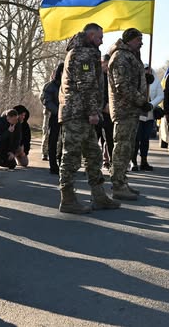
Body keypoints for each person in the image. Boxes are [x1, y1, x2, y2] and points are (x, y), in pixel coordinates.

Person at [58, 23, 121, 214]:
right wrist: (93, 112)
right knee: (71, 157)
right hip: (78, 113)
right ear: (91, 35)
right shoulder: (82, 53)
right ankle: (67, 199)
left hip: (83, 112)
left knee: (93, 155)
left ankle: (99, 196)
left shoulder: (86, 52)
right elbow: (85, 85)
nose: (102, 41)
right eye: (100, 37)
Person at [107, 28, 152, 200]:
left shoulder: (131, 56)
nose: (141, 43)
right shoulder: (121, 57)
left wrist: (144, 80)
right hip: (124, 109)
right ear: (130, 40)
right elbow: (122, 85)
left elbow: (131, 80)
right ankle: (117, 185)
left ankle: (122, 181)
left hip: (131, 110)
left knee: (128, 148)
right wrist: (142, 101)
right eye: (139, 39)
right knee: (122, 148)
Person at [131, 64, 164, 171]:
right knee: (136, 139)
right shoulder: (136, 80)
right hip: (137, 114)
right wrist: (140, 103)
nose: (147, 72)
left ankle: (144, 161)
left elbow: (160, 95)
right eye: (145, 70)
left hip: (149, 115)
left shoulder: (155, 81)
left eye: (148, 70)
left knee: (145, 139)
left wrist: (151, 104)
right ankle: (133, 161)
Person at [43, 63, 63, 174]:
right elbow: (46, 100)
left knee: (65, 141)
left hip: (67, 116)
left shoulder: (69, 84)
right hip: (55, 116)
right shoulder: (51, 86)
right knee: (53, 140)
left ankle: (62, 161)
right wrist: (58, 111)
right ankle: (53, 165)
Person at [96, 54, 114, 171]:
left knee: (110, 139)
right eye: (106, 65)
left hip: (110, 113)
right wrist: (103, 106)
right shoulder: (96, 77)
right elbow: (93, 95)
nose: (107, 67)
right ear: (101, 63)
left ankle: (112, 163)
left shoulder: (112, 77)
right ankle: (93, 165)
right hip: (97, 113)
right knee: (94, 139)